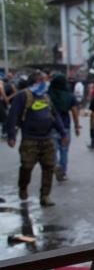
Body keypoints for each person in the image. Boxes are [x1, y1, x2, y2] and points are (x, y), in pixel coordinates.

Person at [4, 70, 67, 206]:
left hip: (47, 139)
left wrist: (63, 133)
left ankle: (45, 196)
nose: (45, 83)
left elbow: (55, 116)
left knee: (49, 168)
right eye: (42, 80)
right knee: (26, 167)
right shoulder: (23, 96)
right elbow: (13, 115)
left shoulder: (45, 96)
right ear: (35, 82)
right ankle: (23, 187)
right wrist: (11, 136)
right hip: (29, 140)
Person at [48, 73, 81, 181]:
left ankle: (56, 165)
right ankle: (63, 172)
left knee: (52, 150)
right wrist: (76, 126)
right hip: (65, 126)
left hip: (50, 126)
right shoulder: (70, 96)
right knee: (64, 150)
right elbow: (75, 112)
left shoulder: (47, 95)